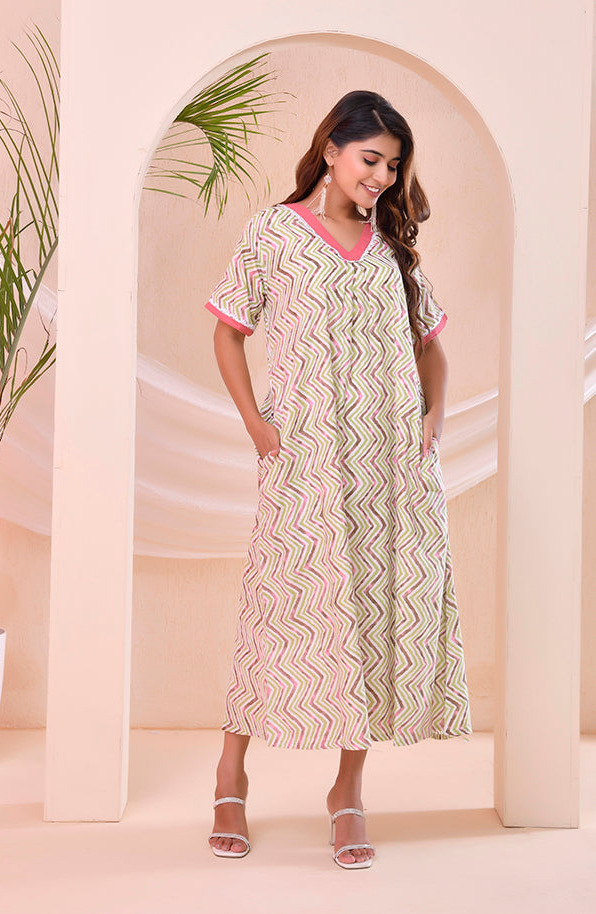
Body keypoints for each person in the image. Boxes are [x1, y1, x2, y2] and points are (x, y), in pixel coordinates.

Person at [204, 90, 472, 869]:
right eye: (370, 159)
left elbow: (431, 345)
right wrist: (257, 425)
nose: (382, 177)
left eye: (393, 165)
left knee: (374, 615)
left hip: (389, 466)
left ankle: (348, 790)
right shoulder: (274, 233)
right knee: (277, 610)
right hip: (307, 461)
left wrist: (434, 415)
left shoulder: (391, 250)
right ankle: (230, 774)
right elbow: (227, 333)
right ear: (331, 150)